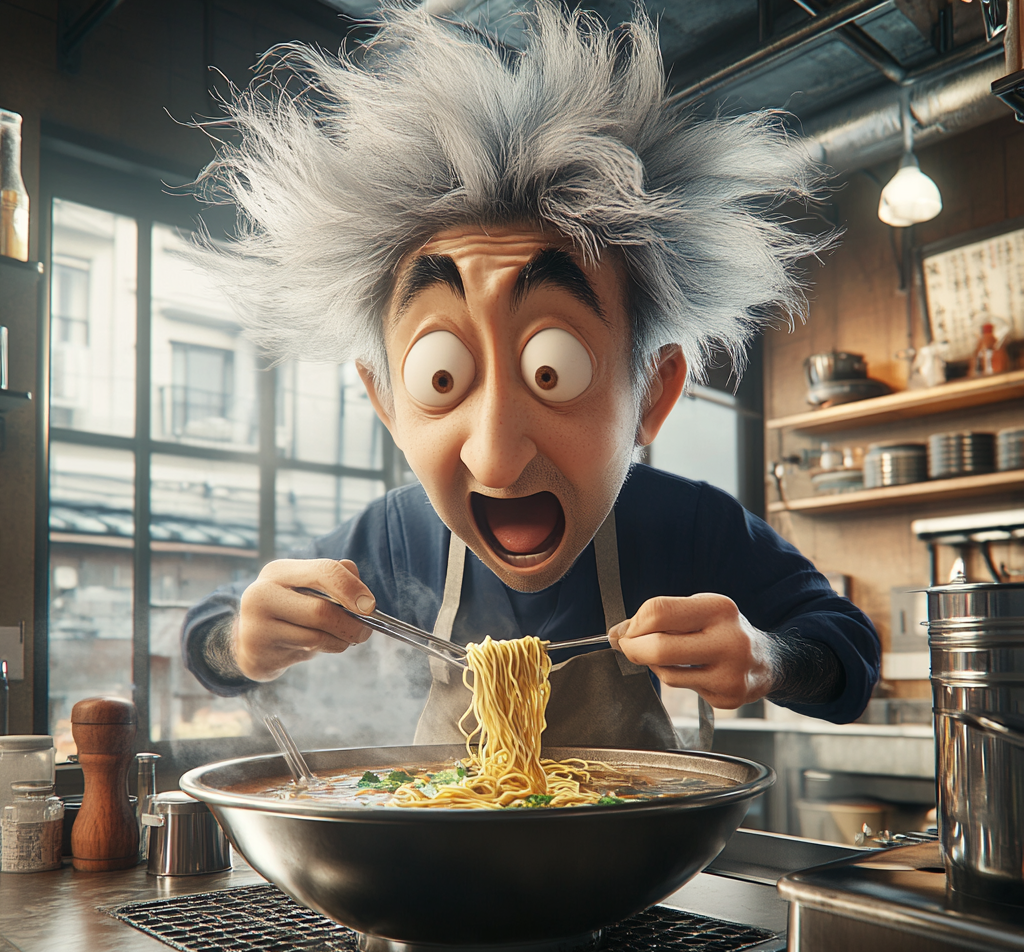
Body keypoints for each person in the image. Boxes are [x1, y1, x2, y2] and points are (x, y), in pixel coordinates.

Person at [182, 3, 880, 749]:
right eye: (441, 377)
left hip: (634, 851)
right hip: (443, 848)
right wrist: (245, 643)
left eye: (554, 370)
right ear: (386, 403)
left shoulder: (686, 528)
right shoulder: (397, 535)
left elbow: (850, 658)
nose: (496, 457)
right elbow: (209, 637)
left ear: (653, 393)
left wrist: (769, 659)